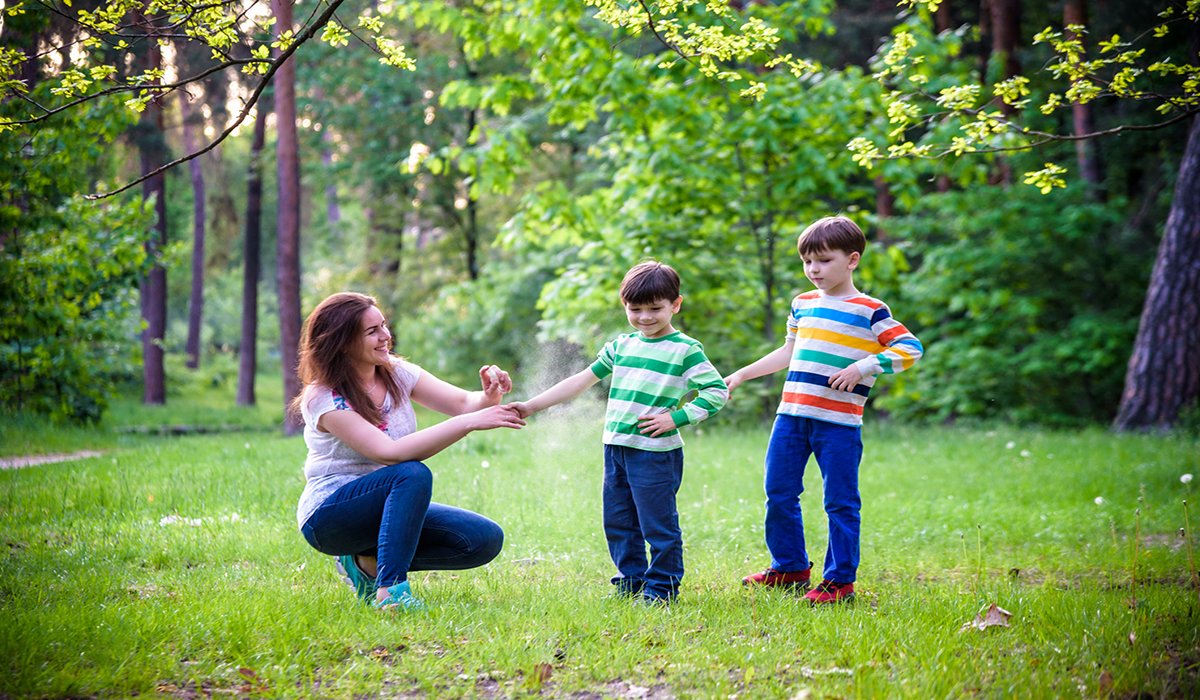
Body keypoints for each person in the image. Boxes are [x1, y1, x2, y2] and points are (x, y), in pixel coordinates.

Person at [724, 216, 923, 605]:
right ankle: (790, 568)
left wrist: (862, 367)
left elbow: (910, 348)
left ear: (852, 260)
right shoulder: (803, 303)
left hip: (839, 424)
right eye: (807, 262)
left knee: (840, 501)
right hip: (791, 416)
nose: (814, 269)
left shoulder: (870, 310)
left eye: (824, 261)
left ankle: (839, 581)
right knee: (778, 492)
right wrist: (741, 374)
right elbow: (787, 352)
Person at [507, 261, 728, 605]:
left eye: (655, 308)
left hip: (656, 453)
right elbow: (580, 381)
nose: (644, 317)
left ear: (676, 304)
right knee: (619, 522)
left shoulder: (685, 350)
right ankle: (631, 581)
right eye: (635, 309)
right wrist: (532, 405)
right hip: (617, 449)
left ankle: (662, 589)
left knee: (658, 526)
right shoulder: (621, 346)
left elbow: (717, 391)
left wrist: (678, 418)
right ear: (624, 306)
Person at [292, 292, 526, 611]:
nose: (386, 336)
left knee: (482, 539)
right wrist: (469, 423)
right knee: (411, 473)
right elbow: (389, 454)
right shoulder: (324, 397)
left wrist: (488, 394)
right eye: (372, 331)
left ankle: (366, 562)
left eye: (384, 325)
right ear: (343, 342)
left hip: (388, 504)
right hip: (331, 516)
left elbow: (462, 403)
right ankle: (390, 593)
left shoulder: (395, 372)